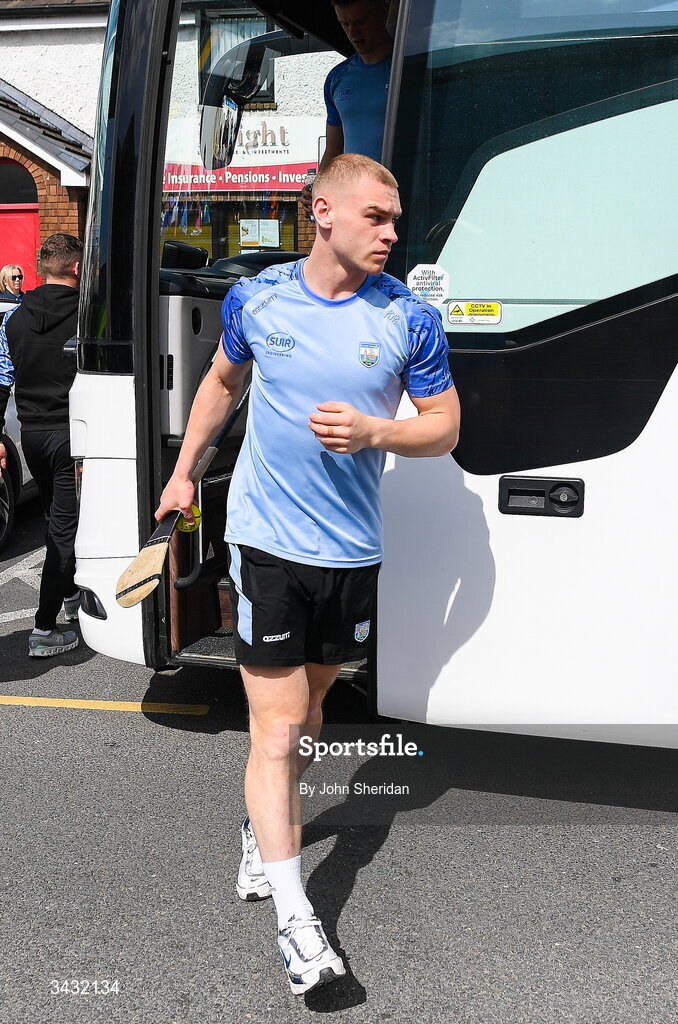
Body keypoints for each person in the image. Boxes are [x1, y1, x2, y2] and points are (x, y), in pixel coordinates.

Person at [155, 154, 460, 995]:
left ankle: (262, 829)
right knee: (279, 729)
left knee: (313, 712)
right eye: (378, 217)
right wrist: (186, 472)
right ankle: (299, 923)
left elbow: (444, 426)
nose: (394, 234)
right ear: (322, 211)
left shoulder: (409, 318)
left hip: (352, 551)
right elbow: (222, 382)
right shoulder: (259, 298)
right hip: (268, 543)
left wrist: (375, 433)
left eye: (396, 220)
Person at [0, 234, 83, 657]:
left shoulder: (13, 320)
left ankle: (69, 596)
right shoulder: (90, 317)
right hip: (75, 434)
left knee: (55, 518)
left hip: (32, 436)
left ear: (40, 269)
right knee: (65, 530)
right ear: (75, 267)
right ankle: (44, 628)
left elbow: (1, 382)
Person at [301, 0, 393, 216]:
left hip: (399, 196)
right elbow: (334, 149)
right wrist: (319, 188)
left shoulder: (409, 67)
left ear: (384, 10)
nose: (353, 32)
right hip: (356, 202)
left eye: (361, 21)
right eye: (345, 24)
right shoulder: (337, 78)